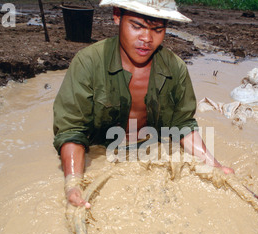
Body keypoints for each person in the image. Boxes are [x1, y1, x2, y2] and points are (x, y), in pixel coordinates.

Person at [53, 0, 234, 207]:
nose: (147, 39)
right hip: (101, 151)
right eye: (137, 26)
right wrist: (73, 183)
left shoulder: (176, 68)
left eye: (157, 29)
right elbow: (71, 130)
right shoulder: (88, 62)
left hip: (152, 149)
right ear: (117, 15)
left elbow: (183, 125)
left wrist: (214, 164)